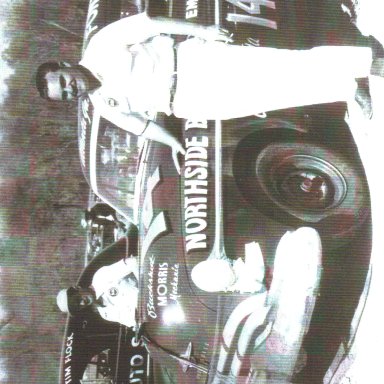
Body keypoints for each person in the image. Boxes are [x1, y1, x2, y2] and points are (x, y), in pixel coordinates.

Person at [36, 13, 383, 143]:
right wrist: (176, 146)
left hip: (193, 62)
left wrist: (202, 29)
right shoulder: (102, 105)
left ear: (65, 65)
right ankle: (346, 88)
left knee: (281, 64)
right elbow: (142, 127)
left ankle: (366, 60)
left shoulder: (101, 45)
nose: (71, 89)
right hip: (191, 101)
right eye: (65, 95)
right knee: (275, 94)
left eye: (64, 82)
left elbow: (151, 24)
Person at [56, 257, 139, 328]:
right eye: (78, 306)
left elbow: (132, 262)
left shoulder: (100, 277)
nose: (82, 303)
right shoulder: (105, 314)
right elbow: (136, 320)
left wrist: (147, 288)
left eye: (78, 299)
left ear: (78, 288)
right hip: (149, 311)